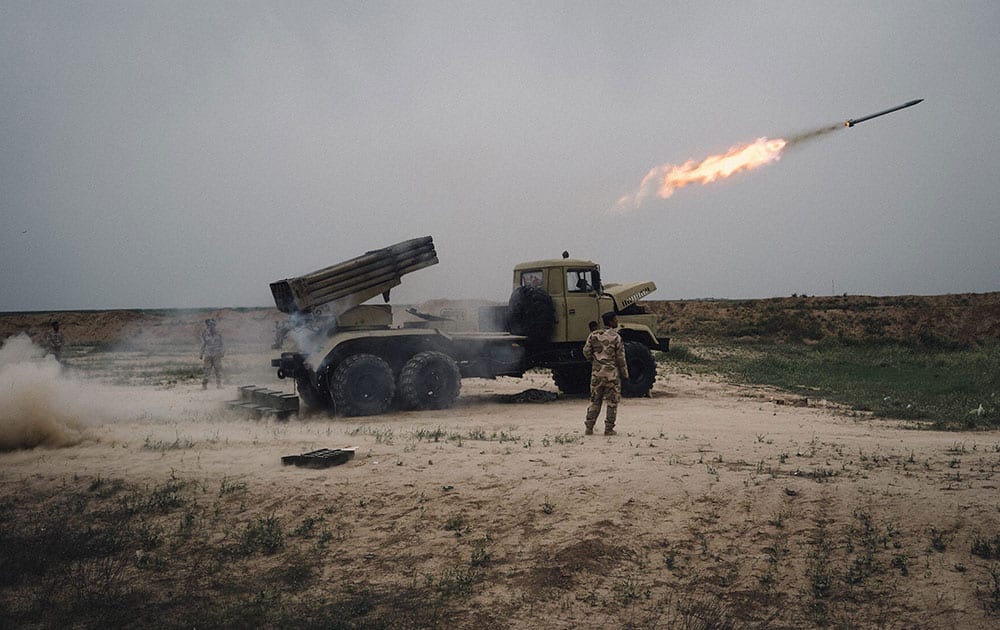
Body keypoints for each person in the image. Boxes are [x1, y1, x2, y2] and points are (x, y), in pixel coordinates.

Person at [582, 311, 629, 436]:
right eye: (615, 319)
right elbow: (621, 358)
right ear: (611, 321)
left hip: (596, 374)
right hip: (611, 375)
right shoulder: (616, 337)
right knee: (612, 402)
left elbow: (586, 351)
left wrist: (594, 361)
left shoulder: (593, 335)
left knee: (594, 401)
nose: (617, 321)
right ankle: (609, 429)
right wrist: (625, 374)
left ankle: (589, 427)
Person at [199, 318, 225, 389]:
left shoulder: (219, 333)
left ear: (215, 325)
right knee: (207, 370)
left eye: (213, 325)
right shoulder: (205, 333)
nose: (211, 326)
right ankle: (204, 385)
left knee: (218, 370)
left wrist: (222, 352)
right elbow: (203, 344)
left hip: (217, 354)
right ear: (208, 325)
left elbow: (222, 344)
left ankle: (219, 385)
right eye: (210, 325)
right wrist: (201, 353)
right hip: (208, 354)